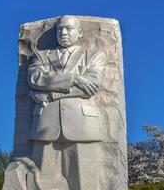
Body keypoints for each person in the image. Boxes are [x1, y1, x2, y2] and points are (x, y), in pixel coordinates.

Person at [27, 15, 106, 190]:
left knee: (86, 183)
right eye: (59, 29)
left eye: (68, 29)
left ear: (79, 33)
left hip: (83, 126)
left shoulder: (93, 56)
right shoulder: (41, 56)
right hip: (44, 126)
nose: (63, 33)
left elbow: (91, 87)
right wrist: (73, 78)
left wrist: (52, 95)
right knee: (41, 182)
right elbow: (35, 78)